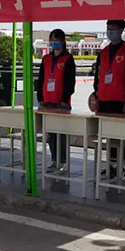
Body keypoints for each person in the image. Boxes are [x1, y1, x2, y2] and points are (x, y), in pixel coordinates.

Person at [90, 20, 125, 180]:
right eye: (108, 28)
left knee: (121, 137)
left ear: (121, 31)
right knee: (109, 137)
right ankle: (111, 166)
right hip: (104, 101)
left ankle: (122, 166)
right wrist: (96, 95)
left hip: (120, 102)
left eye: (113, 28)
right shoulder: (103, 53)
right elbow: (98, 78)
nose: (110, 31)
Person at [37, 28, 76, 173]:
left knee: (61, 134)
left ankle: (63, 161)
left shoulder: (68, 59)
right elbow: (41, 79)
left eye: (56, 40)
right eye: (52, 40)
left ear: (63, 41)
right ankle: (54, 160)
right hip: (48, 101)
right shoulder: (46, 59)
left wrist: (65, 99)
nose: (54, 43)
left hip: (61, 102)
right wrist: (40, 97)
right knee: (51, 134)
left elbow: (70, 81)